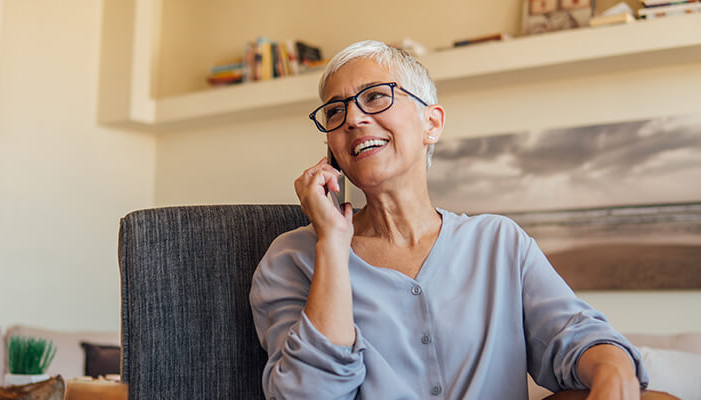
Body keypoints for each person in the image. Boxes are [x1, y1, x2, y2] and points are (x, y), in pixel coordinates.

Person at [249, 40, 648, 400]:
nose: (353, 119)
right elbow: (306, 395)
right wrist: (333, 246)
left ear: (432, 124)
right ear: (331, 146)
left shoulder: (498, 242)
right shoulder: (291, 260)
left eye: (374, 97)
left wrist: (613, 369)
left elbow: (574, 337)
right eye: (336, 111)